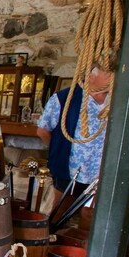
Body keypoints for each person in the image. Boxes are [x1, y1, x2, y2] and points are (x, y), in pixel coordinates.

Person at [36, 64, 114, 211]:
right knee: (59, 212)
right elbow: (43, 131)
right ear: (92, 77)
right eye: (109, 74)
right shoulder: (64, 98)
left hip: (102, 172)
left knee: (91, 215)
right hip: (70, 170)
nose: (114, 78)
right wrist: (59, 150)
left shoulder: (116, 101)